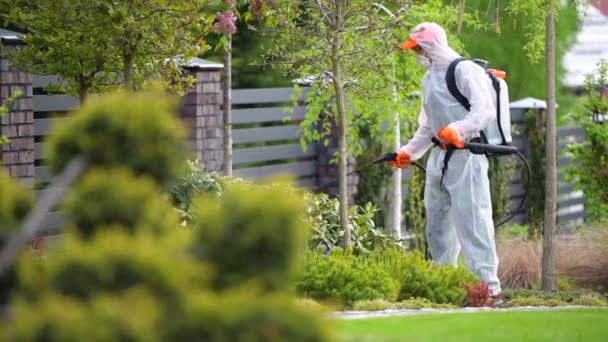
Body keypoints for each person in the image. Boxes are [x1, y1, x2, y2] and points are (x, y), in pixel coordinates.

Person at [390, 22, 506, 305]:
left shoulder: (465, 70)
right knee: (437, 223)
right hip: (439, 157)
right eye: (414, 48)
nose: (417, 53)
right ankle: (444, 284)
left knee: (473, 222)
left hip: (467, 155)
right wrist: (409, 152)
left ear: (432, 46)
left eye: (419, 47)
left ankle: (488, 290)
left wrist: (460, 129)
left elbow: (484, 110)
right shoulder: (429, 78)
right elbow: (427, 124)